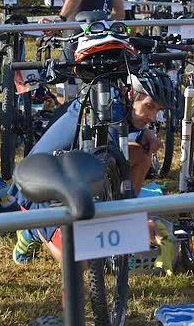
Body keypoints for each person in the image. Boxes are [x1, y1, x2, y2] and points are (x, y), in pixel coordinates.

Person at [12, 68, 174, 264]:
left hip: (73, 178)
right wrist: (135, 222)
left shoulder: (115, 101)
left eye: (157, 110)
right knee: (80, 262)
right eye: (149, 107)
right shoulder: (106, 108)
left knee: (141, 153)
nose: (153, 117)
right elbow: (115, 170)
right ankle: (33, 231)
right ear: (131, 94)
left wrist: (143, 133)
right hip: (39, 190)